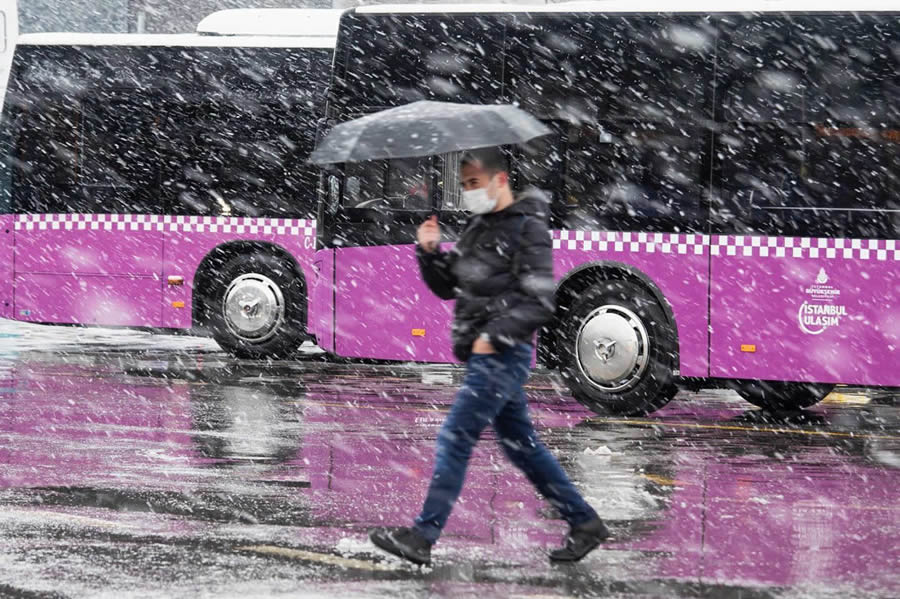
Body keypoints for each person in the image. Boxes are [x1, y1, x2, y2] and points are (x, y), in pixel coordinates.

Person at [369, 147, 608, 566]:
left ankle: (423, 536)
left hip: (501, 354)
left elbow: (540, 302)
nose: (469, 193)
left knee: (455, 436)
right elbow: (450, 286)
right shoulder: (479, 228)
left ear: (500, 180)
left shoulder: (528, 229)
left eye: (475, 184)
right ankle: (584, 522)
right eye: (464, 186)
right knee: (522, 447)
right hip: (487, 354)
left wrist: (493, 337)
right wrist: (429, 253)